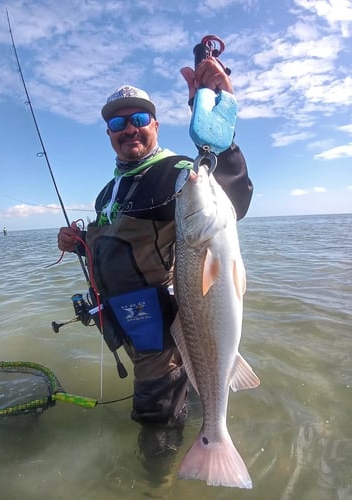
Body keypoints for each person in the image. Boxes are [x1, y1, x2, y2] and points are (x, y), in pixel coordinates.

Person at [58, 57, 253, 428]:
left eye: (139, 119)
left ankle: (160, 484)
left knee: (156, 425)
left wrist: (220, 141)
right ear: (109, 134)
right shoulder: (108, 191)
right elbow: (121, 243)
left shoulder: (176, 173)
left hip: (162, 336)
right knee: (181, 405)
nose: (129, 128)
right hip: (129, 328)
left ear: (156, 125)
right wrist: (79, 241)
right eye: (118, 123)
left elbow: (230, 201)